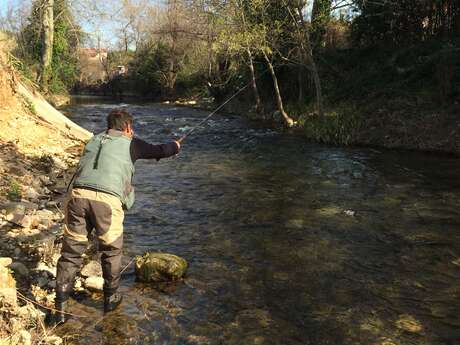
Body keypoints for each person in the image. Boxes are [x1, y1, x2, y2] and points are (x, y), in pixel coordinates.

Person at [54, 108, 181, 323]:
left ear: (108, 126)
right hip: (106, 201)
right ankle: (110, 299)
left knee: (72, 251)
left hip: (76, 197)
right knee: (111, 250)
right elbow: (159, 150)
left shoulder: (93, 140)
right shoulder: (132, 143)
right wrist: (175, 146)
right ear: (128, 128)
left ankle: (60, 307)